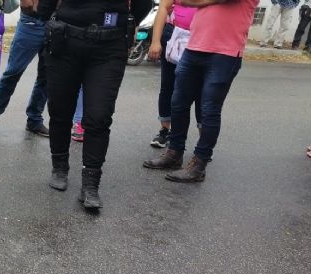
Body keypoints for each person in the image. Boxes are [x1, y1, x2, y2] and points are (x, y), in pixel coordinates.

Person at [38, 0, 153, 209]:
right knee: (60, 110)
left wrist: (124, 21)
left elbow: (143, 4)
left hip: (109, 47)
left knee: (99, 115)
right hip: (65, 41)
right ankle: (59, 167)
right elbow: (45, 6)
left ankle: (91, 183)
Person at [143, 0, 259, 183]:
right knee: (178, 103)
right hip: (193, 47)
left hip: (225, 54)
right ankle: (174, 153)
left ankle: (199, 164)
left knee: (209, 110)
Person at [0, 0, 50, 138]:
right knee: (13, 72)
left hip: (55, 22)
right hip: (31, 21)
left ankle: (34, 120)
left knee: (46, 76)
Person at [146, 0, 200, 149]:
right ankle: (165, 130)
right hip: (174, 32)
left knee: (200, 92)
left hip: (202, 36)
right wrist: (155, 41)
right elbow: (163, 7)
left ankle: (204, 143)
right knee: (168, 86)